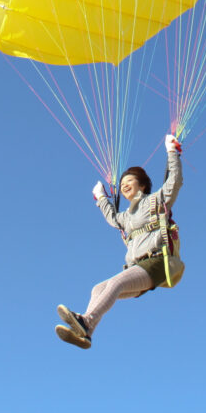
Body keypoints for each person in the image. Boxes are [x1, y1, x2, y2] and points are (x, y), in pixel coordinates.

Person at [55, 134, 184, 349]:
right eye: (122, 183)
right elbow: (113, 219)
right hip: (139, 267)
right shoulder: (126, 217)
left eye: (129, 181)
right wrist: (101, 198)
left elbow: (174, 182)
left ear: (142, 185)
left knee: (115, 284)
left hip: (157, 262)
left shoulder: (156, 201)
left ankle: (86, 321)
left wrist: (172, 152)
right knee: (98, 289)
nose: (124, 185)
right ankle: (87, 332)